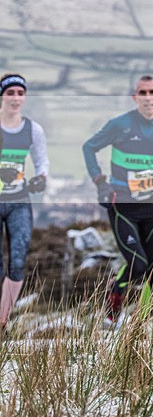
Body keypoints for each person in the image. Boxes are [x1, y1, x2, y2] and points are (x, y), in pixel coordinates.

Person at [82, 75, 153, 327]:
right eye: (142, 92)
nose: (147, 97)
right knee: (138, 264)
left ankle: (144, 319)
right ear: (135, 97)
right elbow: (89, 147)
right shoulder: (119, 125)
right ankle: (114, 298)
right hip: (122, 204)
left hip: (151, 205)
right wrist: (100, 181)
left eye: (152, 92)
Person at [0, 74, 49, 333]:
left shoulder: (33, 129)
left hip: (19, 200)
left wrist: (41, 178)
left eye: (20, 93)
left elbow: (42, 161)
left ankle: (3, 320)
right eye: (11, 93)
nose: (16, 98)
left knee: (18, 260)